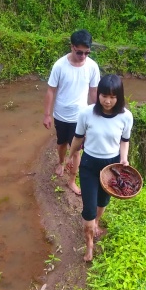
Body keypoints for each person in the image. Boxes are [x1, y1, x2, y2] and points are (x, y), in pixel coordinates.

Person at [66, 74, 133, 262]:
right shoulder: (87, 113)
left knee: (102, 202)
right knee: (88, 208)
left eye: (113, 97)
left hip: (111, 166)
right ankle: (89, 246)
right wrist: (70, 156)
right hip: (89, 165)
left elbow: (124, 141)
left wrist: (124, 159)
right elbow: (78, 138)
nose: (108, 101)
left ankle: (96, 224)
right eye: (104, 96)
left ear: (119, 97)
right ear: (98, 95)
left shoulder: (126, 117)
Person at [43, 29, 101, 195]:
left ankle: (72, 180)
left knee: (76, 150)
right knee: (61, 144)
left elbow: (93, 92)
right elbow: (50, 91)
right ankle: (60, 162)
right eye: (79, 52)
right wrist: (47, 114)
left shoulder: (92, 67)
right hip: (61, 115)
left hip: (80, 117)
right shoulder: (60, 65)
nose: (83, 56)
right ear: (72, 47)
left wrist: (99, 113)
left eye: (87, 53)